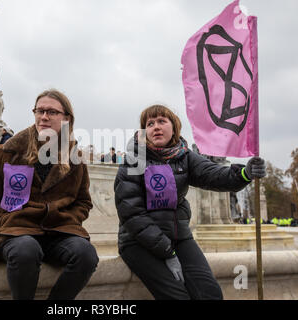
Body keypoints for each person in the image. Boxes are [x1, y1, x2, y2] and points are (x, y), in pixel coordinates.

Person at [114, 104, 266, 300]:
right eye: (149, 124)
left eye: (162, 121)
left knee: (210, 295)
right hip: (138, 242)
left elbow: (214, 174)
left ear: (174, 128)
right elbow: (131, 214)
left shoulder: (184, 157)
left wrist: (244, 173)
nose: (156, 127)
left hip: (179, 237)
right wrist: (168, 253)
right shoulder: (133, 161)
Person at [0, 89, 99, 300]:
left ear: (66, 118)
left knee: (86, 255)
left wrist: (70, 219)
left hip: (59, 231)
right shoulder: (6, 152)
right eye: (39, 111)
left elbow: (83, 202)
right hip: (17, 231)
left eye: (51, 112)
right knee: (26, 250)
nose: (44, 117)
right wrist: (3, 221)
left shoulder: (75, 158)